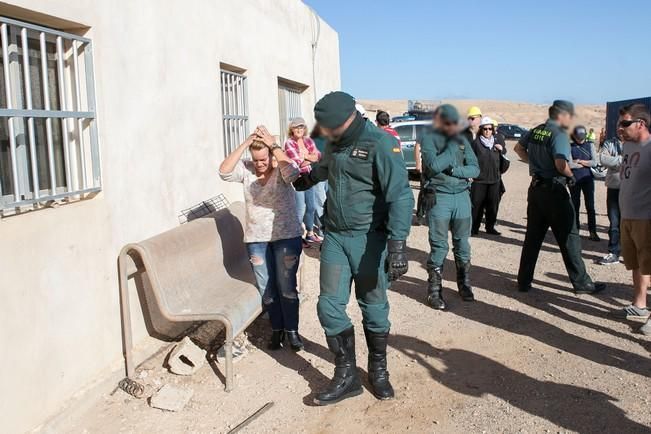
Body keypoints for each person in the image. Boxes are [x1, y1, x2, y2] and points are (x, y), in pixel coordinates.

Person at [293, 91, 413, 404]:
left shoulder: (381, 143)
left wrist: (398, 245)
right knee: (328, 306)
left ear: (346, 121)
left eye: (330, 128)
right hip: (334, 236)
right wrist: (303, 179)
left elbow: (400, 195)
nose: (325, 133)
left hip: (368, 239)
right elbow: (322, 170)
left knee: (373, 307)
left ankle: (378, 370)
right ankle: (346, 375)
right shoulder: (334, 143)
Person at [219, 126, 304, 351]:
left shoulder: (281, 171)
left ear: (270, 155)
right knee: (267, 287)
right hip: (257, 240)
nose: (260, 164)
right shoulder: (246, 170)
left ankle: (292, 331)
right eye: (256, 160)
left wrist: (274, 146)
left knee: (286, 287)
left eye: (263, 159)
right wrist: (247, 143)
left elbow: (294, 173)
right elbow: (224, 171)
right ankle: (277, 330)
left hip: (286, 237)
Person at [514, 100, 605, 295]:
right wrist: (571, 177)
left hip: (536, 189)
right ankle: (582, 283)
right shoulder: (559, 134)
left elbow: (518, 149)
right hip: (554, 189)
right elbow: (560, 164)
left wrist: (536, 166)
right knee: (570, 237)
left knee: (533, 237)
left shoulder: (537, 130)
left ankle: (523, 281)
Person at [420, 104, 480, 310]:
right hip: (440, 199)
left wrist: (454, 169)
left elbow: (476, 168)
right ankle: (434, 290)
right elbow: (433, 167)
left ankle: (464, 283)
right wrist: (452, 149)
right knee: (439, 246)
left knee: (462, 244)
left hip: (462, 197)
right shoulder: (429, 139)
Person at [613, 104, 651, 327]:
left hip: (646, 217)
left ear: (641, 124)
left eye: (625, 123)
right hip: (628, 215)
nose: (620, 128)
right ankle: (639, 305)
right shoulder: (627, 146)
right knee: (636, 264)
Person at [283, 118, 322, 244]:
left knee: (311, 207)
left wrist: (306, 156)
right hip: (297, 179)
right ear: (292, 129)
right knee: (300, 209)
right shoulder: (289, 143)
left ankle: (309, 233)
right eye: (296, 127)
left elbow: (318, 156)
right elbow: (297, 162)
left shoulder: (308, 140)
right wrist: (309, 158)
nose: (299, 130)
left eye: (301, 127)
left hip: (309, 177)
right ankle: (296, 237)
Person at [470, 116, 506, 236]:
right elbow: (469, 160)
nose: (487, 131)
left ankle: (490, 227)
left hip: (494, 180)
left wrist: (502, 151)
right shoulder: (475, 144)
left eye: (490, 129)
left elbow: (503, 162)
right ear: (481, 129)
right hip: (479, 180)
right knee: (477, 206)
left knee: (492, 206)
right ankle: (474, 228)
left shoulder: (496, 144)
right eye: (485, 129)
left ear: (493, 130)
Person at [568, 125, 600, 241]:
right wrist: (585, 163)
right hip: (574, 179)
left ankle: (593, 231)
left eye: (582, 137)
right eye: (578, 137)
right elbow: (570, 164)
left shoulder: (590, 145)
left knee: (590, 206)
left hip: (587, 179)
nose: (580, 139)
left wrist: (580, 162)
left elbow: (595, 162)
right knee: (575, 206)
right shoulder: (570, 146)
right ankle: (576, 231)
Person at [598, 132, 624, 265]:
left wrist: (614, 161)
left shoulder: (637, 144)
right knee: (614, 223)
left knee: (633, 223)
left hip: (631, 190)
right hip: (613, 188)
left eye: (625, 124)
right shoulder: (610, 143)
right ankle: (613, 252)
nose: (621, 128)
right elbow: (602, 159)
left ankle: (633, 253)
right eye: (619, 124)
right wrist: (624, 160)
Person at [310, 124, 328, 232]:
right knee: (320, 202)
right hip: (318, 175)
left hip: (329, 175)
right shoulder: (312, 141)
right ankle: (322, 230)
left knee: (327, 202)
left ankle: (326, 229)